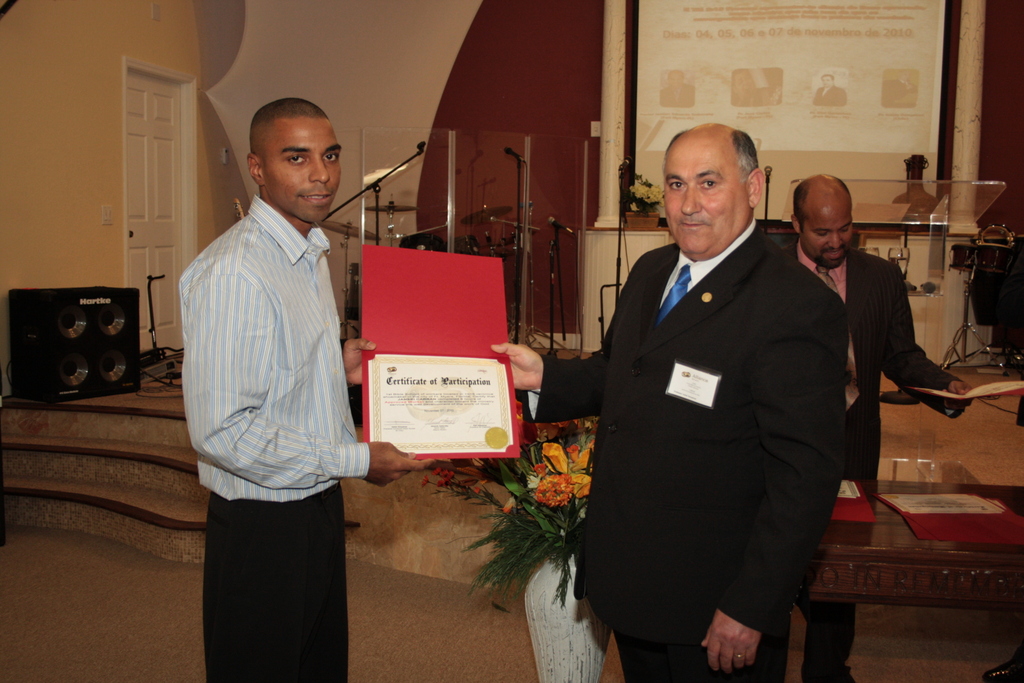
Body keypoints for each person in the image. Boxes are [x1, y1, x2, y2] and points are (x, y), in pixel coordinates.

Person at [494, 124, 849, 682]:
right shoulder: (652, 271)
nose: (688, 205)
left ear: (754, 187)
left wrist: (752, 604)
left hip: (715, 602)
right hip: (637, 581)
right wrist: (543, 376)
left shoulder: (795, 302)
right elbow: (620, 370)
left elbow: (806, 476)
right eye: (676, 184)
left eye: (709, 183)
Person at [180, 97, 432, 682]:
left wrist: (333, 367)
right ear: (257, 168)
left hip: (314, 500)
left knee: (317, 663)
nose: (321, 174)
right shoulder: (236, 272)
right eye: (297, 158)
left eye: (330, 155)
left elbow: (273, 368)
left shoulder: (307, 250)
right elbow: (222, 432)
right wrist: (357, 459)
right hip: (261, 522)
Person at [789, 174, 973, 683]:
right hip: (783, 443)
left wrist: (946, 385)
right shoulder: (766, 273)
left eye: (845, 228)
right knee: (781, 553)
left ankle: (827, 670)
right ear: (795, 224)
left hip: (854, 441)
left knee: (841, 563)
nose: (836, 242)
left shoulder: (881, 277)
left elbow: (901, 354)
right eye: (822, 232)